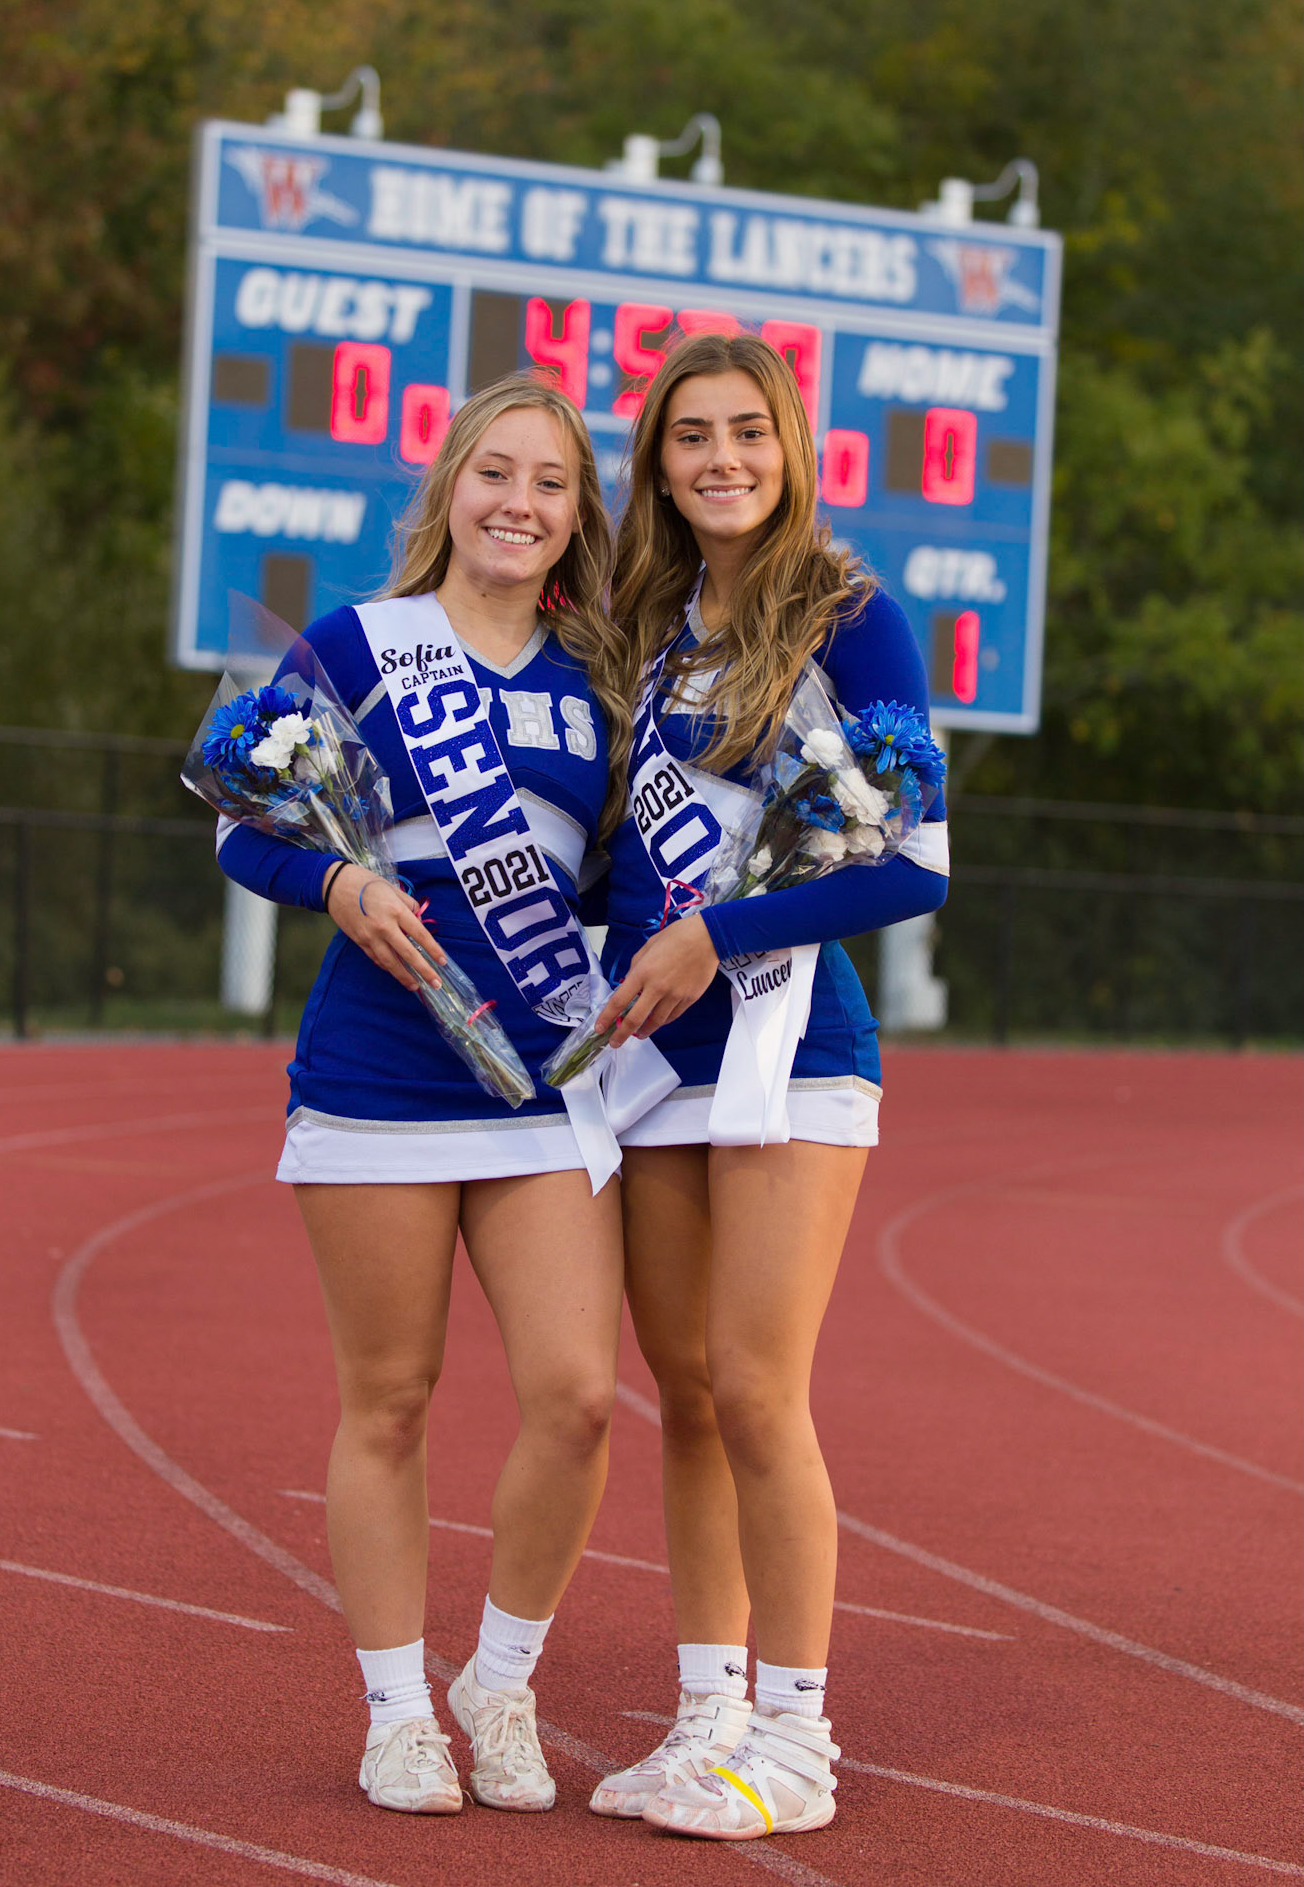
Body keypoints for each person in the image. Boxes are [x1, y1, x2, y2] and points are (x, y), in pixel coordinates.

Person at [215, 374, 633, 1817]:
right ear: (450, 487)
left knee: (579, 1398)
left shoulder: (601, 681)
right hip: (379, 1073)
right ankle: (397, 1709)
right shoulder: (358, 644)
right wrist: (335, 881)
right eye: (495, 472)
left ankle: (498, 1683)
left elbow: (619, 882)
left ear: (577, 517)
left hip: (538, 1082)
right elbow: (243, 825)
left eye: (551, 483)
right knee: (389, 1402)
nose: (519, 503)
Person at [586, 331, 949, 1841]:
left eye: (746, 431)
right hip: (656, 1060)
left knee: (752, 1385)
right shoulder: (643, 623)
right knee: (681, 1396)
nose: (721, 458)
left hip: (791, 1047)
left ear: (789, 447)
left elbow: (912, 866)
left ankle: (799, 1739)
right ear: (658, 464)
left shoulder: (852, 617)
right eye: (691, 436)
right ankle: (706, 1717)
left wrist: (714, 934)